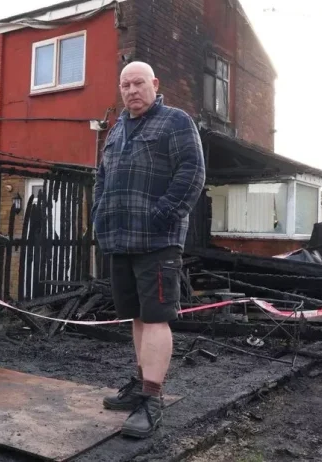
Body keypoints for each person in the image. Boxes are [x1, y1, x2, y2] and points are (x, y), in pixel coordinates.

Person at [92, 61, 205, 438]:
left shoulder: (175, 121)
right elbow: (101, 178)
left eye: (138, 83)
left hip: (157, 239)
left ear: (155, 83)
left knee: (156, 316)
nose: (131, 90)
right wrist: (99, 214)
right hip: (120, 237)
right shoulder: (117, 129)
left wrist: (162, 215)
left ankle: (152, 400)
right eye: (124, 84)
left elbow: (192, 172)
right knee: (137, 316)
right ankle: (142, 384)